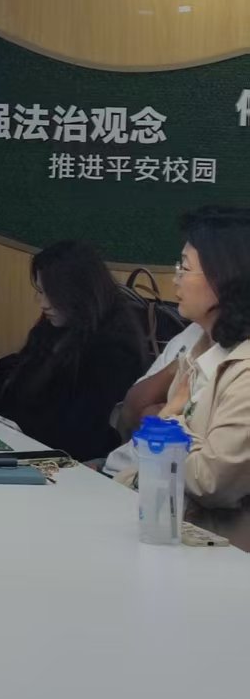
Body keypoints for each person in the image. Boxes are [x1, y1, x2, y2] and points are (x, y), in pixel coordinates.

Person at [0, 241, 145, 462]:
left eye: (51, 293)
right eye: (40, 292)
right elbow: (19, 389)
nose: (43, 304)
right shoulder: (54, 327)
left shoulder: (113, 346)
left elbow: (81, 434)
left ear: (79, 292)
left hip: (71, 463)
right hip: (25, 447)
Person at [156, 207, 250, 546]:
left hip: (224, 555)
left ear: (223, 276)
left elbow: (209, 482)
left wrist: (170, 419)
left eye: (184, 267)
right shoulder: (198, 353)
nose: (175, 279)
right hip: (178, 533)